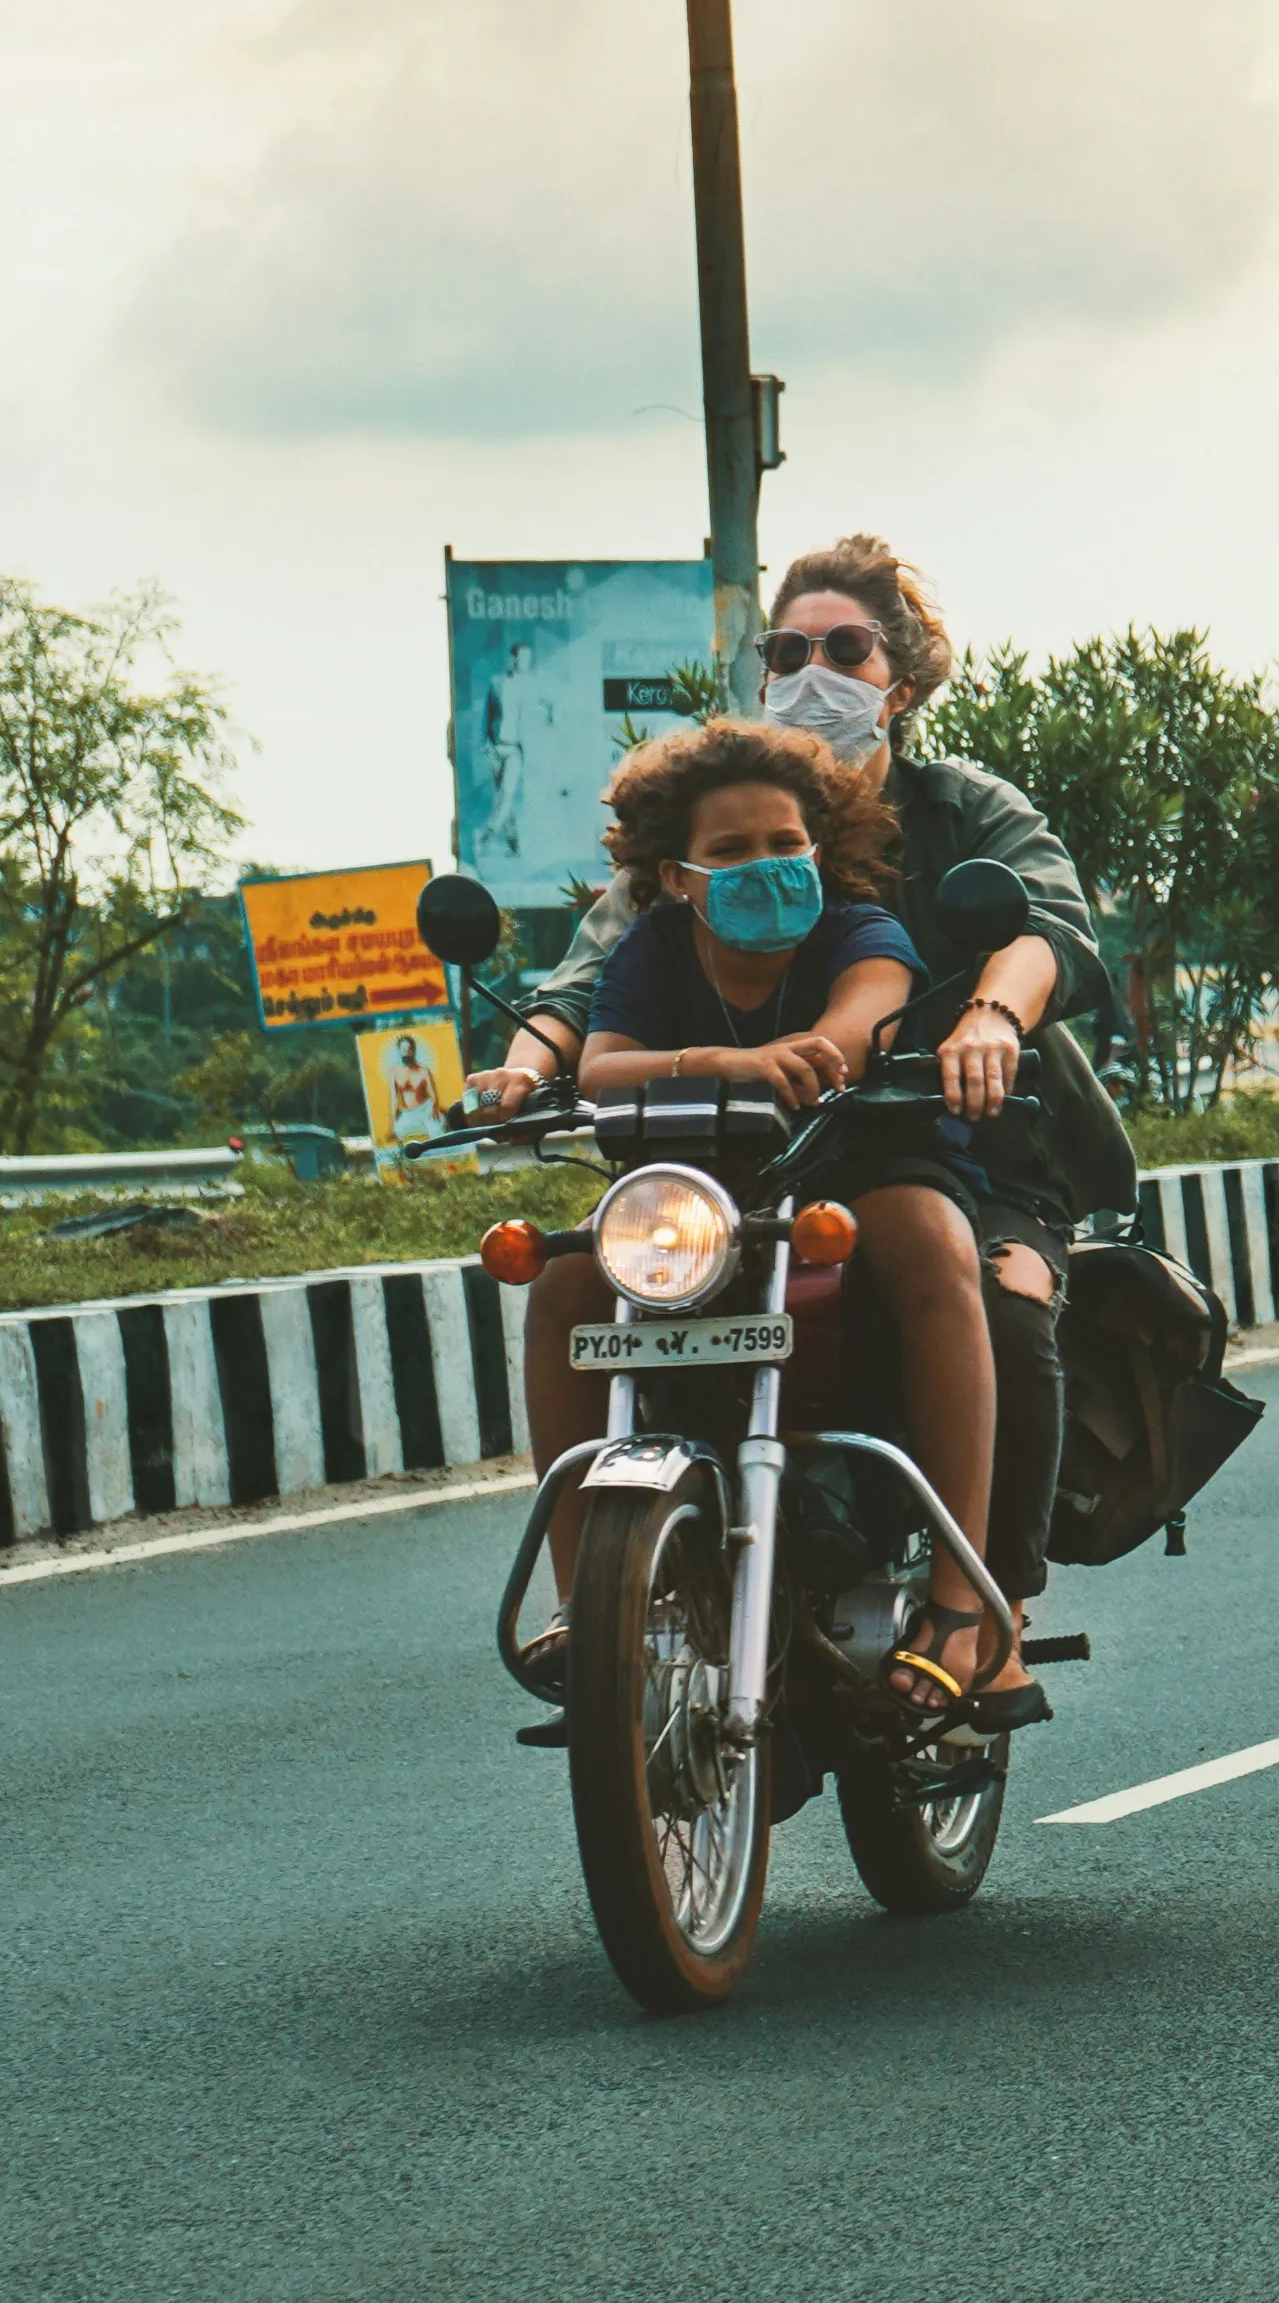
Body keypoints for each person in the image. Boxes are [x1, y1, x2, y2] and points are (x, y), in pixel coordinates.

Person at [479, 535, 1131, 1722]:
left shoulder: (951, 820)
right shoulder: (705, 830)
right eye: (787, 651)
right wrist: (523, 1071)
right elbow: (582, 995)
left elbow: (1048, 933)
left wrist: (987, 1015)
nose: (811, 671)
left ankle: (982, 1605)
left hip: (962, 1140)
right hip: (720, 1162)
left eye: (844, 648)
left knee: (991, 1292)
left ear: (906, 676)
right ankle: (589, 1604)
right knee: (569, 1277)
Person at [520, 717, 1031, 1730]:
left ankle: (960, 1607)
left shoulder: (861, 929)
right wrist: (717, 1063)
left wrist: (781, 1058)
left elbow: (844, 1039)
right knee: (565, 1279)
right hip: (704, 1188)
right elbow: (598, 1066)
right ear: (675, 876)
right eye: (730, 851)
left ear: (820, 849)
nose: (765, 865)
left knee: (934, 1245)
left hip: (868, 1161)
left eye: (785, 844)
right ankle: (586, 1607)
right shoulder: (657, 946)